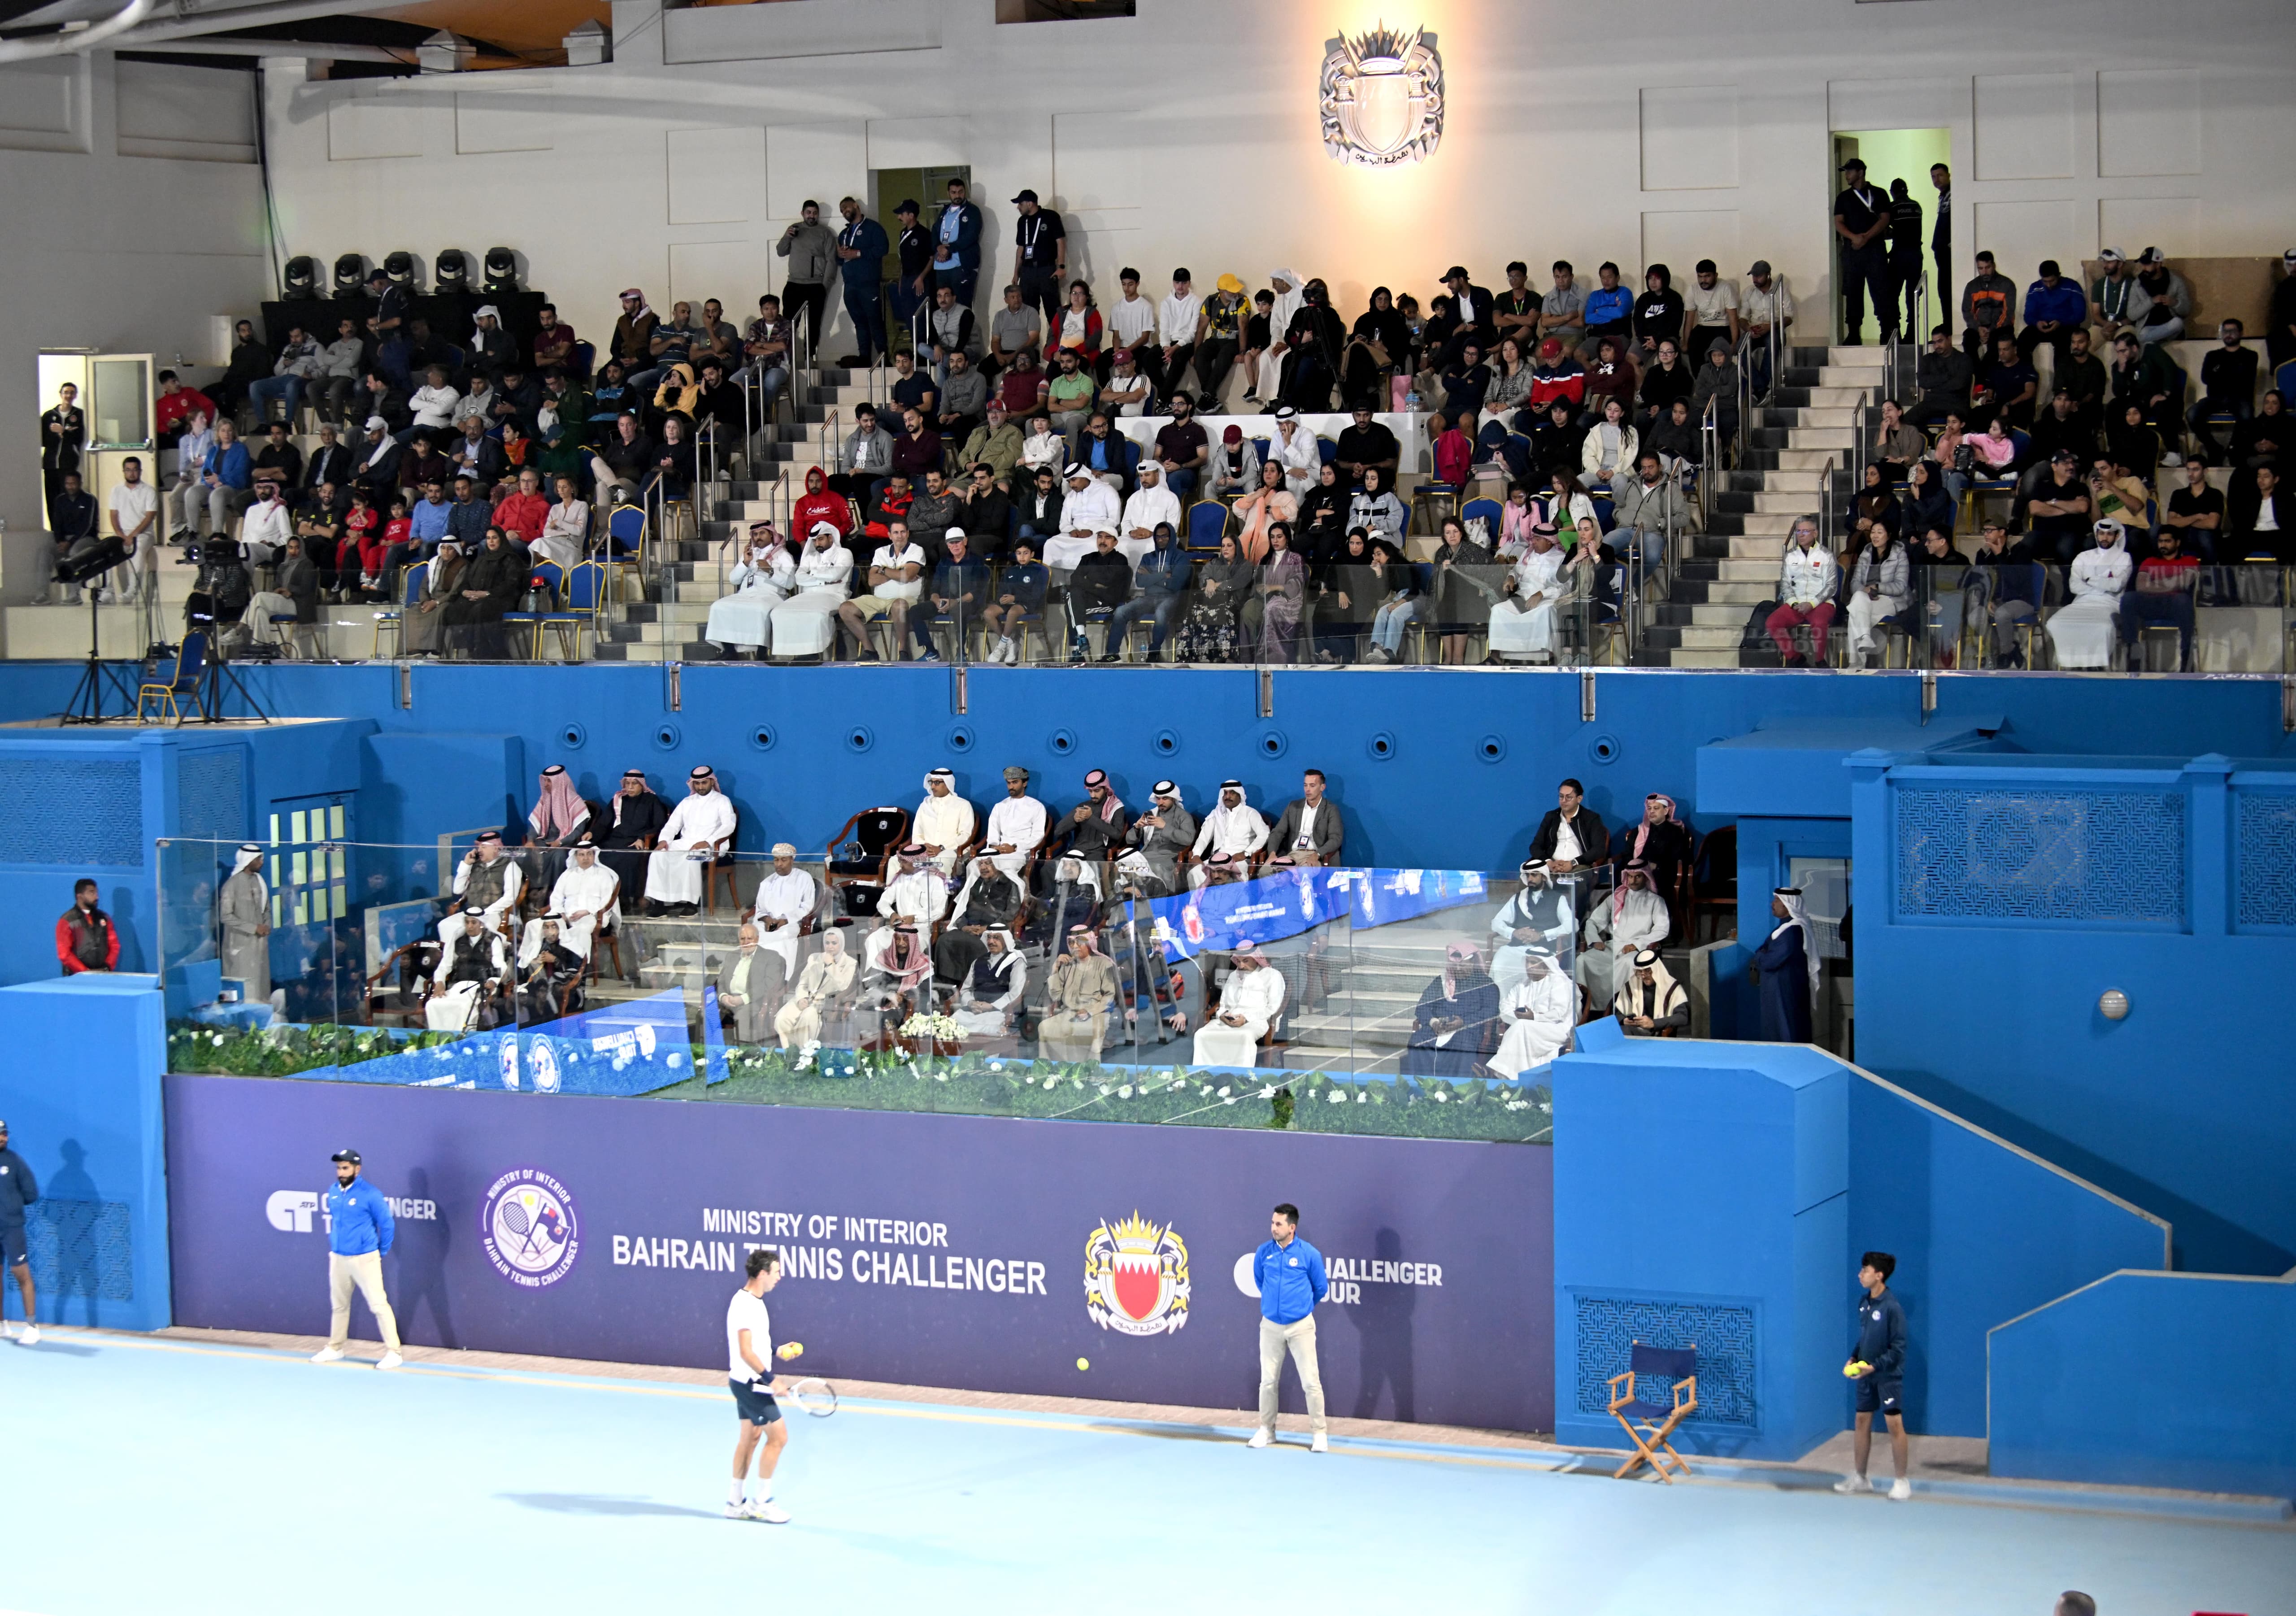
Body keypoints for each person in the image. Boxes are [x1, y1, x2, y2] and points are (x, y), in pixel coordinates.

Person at [1244, 1201, 1329, 1453]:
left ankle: (1320, 1433)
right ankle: (1267, 1430)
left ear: (1292, 1228)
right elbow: (1260, 1281)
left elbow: (1320, 1288)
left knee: (1311, 1382)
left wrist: (1299, 1309)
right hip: (1271, 1326)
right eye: (1273, 1223)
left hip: (1301, 1327)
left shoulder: (1309, 1254)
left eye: (1279, 1224)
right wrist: (1276, 1308)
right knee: (1268, 1382)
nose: (1274, 1228)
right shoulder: (1263, 1252)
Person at [309, 1147, 402, 1371]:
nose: (341, 1172)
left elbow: (387, 1224)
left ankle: (394, 1353)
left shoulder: (371, 1194)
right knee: (339, 1306)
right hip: (338, 1257)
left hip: (365, 1258)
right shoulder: (333, 1191)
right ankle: (336, 1348)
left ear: (357, 1169)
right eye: (339, 1168)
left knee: (379, 1305)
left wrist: (380, 1252)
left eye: (345, 1168)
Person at [1834, 1251, 1912, 1501]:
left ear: (1879, 1276)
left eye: (1865, 1271)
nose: (1860, 1275)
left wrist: (1875, 1367)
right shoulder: (1864, 1303)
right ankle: (1861, 1478)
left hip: (1888, 1376)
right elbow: (1865, 1337)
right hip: (1866, 1374)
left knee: (1894, 1425)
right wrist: (1854, 1357)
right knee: (1861, 1421)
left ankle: (1902, 1482)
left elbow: (1898, 1349)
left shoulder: (1892, 1308)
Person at [724, 1247, 793, 1523]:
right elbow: (745, 1352)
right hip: (752, 1384)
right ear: (762, 1274)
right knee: (779, 1438)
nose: (780, 1276)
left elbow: (756, 1345)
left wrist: (777, 1351)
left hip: (744, 1381)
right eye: (776, 1272)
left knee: (751, 1438)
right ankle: (762, 1503)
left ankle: (734, 1503)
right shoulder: (745, 1305)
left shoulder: (754, 1302)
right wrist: (771, 1379)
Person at [645, 765, 736, 915]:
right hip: (686, 842)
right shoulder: (687, 802)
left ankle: (691, 904)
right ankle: (660, 904)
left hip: (712, 847)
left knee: (692, 857)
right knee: (658, 855)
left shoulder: (722, 801)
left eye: (704, 783)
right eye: (697, 784)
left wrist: (708, 841)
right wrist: (664, 840)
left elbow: (729, 826)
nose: (700, 787)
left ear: (712, 782)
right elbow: (672, 825)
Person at [1577, 861, 1670, 1007]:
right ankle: (1588, 1008)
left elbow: (1662, 929)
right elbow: (1593, 921)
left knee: (1629, 963)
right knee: (1583, 960)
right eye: (1631, 877)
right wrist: (1595, 940)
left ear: (1646, 877)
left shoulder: (1656, 901)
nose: (1633, 881)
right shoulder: (1615, 898)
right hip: (1613, 947)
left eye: (1638, 877)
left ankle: (1621, 1008)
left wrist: (1636, 945)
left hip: (1638, 950)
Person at [2045, 518, 2132, 669]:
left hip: (2109, 604)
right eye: (2102, 534)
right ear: (2096, 535)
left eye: (2109, 534)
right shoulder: (2083, 557)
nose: (2105, 538)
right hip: (2081, 603)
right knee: (2055, 623)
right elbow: (2074, 586)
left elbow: (2117, 585)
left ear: (2117, 536)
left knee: (2103, 627)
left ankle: (2096, 665)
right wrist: (2104, 584)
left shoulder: (2124, 558)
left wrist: (2090, 579)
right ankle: (2072, 665)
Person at [1404, 943, 1500, 1078]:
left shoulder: (1486, 984)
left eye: (1463, 966)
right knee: (1418, 1040)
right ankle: (1421, 1085)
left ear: (1473, 963)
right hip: (1438, 1029)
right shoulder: (1441, 982)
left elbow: (1491, 1011)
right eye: (1455, 966)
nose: (1458, 969)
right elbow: (1422, 1006)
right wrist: (1434, 1022)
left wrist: (1463, 1022)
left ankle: (1458, 1087)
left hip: (1468, 1029)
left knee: (1462, 1045)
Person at [1489, 945, 1577, 1077]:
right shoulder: (1521, 984)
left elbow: (1559, 1013)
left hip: (1556, 1030)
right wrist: (1521, 1017)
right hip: (1525, 1029)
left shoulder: (1558, 982)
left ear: (1546, 965)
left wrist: (1534, 1017)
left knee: (1521, 1026)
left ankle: (1502, 1073)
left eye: (1533, 962)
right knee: (1521, 1027)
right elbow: (1505, 1007)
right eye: (1527, 962)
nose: (1529, 966)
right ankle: (1516, 1076)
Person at [1193, 941, 1285, 1066]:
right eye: (1239, 961)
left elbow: (1273, 1008)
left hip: (1256, 1021)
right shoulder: (1233, 976)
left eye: (1246, 961)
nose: (1241, 966)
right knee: (1201, 1035)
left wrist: (1246, 1019)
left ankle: (1241, 1075)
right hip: (1228, 1021)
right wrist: (1223, 1016)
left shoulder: (1272, 975)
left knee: (1245, 1036)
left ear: (1256, 958)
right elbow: (1223, 1005)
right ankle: (1206, 1073)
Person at [1765, 514, 1839, 666]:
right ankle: (1796, 658)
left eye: (1805, 531)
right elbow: (1785, 584)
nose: (1801, 535)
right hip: (1796, 603)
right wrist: (1793, 603)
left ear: (1815, 533)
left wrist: (1812, 604)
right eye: (1798, 531)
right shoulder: (1790, 556)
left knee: (1819, 623)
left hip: (1821, 603)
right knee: (1773, 623)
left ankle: (1819, 661)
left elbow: (1831, 586)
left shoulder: (1826, 555)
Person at [1833, 159, 1889, 344]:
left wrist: (1866, 237)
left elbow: (1885, 219)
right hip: (1852, 251)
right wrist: (1854, 237)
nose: (1847, 175)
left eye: (1850, 171)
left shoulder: (1879, 193)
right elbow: (1838, 222)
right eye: (1845, 172)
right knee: (1853, 292)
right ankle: (1854, 333)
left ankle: (1886, 331)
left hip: (1875, 250)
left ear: (1861, 172)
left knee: (1880, 290)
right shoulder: (1843, 198)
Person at [1751, 886, 1816, 1042]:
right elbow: (1763, 951)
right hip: (1778, 989)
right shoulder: (1784, 929)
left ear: (1788, 904)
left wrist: (1759, 956)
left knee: (1787, 1030)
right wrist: (1762, 954)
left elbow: (1769, 961)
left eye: (1777, 900)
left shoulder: (1792, 932)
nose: (1772, 904)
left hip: (1784, 991)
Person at [774, 929, 856, 1050]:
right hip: (806, 998)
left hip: (825, 1003)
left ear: (842, 943)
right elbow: (803, 983)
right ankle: (790, 1052)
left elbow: (843, 986)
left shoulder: (850, 963)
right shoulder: (814, 958)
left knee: (808, 1017)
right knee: (782, 1019)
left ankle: (804, 1053)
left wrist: (831, 965)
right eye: (827, 943)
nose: (830, 947)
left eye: (834, 943)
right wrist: (801, 998)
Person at [1844, 523, 1910, 667]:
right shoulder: (1866, 553)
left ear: (1889, 535)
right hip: (1865, 598)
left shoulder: (1899, 554)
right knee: (1858, 600)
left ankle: (1855, 663)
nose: (1875, 536)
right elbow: (1854, 583)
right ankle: (1865, 639)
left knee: (1855, 612)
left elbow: (1901, 586)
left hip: (1890, 599)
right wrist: (1866, 591)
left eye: (1880, 532)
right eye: (1873, 532)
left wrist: (1878, 588)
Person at [217, 843, 272, 1003]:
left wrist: (267, 925)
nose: (262, 862)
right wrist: (254, 928)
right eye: (258, 859)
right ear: (248, 860)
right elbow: (225, 916)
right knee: (246, 992)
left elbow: (266, 908)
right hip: (240, 947)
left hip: (260, 945)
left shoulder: (260, 882)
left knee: (262, 988)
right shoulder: (232, 885)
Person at [0, 1118, 36, 1344]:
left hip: (12, 1228)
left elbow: (31, 1193)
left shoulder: (15, 1162)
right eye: (0, 1134)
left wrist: (11, 1207)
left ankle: (32, 1327)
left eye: (5, 1134)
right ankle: (2, 1326)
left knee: (20, 1273)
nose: (3, 1137)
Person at [714, 924, 782, 1045]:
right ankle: (710, 1052)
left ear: (757, 939)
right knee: (707, 1014)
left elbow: (769, 983)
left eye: (750, 939)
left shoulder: (770, 957)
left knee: (741, 1018)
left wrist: (743, 999)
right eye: (743, 939)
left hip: (752, 1001)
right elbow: (721, 980)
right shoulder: (732, 956)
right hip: (728, 1000)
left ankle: (741, 1053)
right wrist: (723, 996)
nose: (746, 942)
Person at [1265, 769, 1342, 866]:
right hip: (1292, 854)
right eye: (1305, 785)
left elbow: (1336, 839)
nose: (1308, 790)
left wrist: (1318, 854)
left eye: (1312, 786)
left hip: (1315, 855)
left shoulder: (1331, 809)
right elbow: (1278, 832)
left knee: (1304, 872)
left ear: (1322, 788)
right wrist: (1272, 854)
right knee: (1265, 871)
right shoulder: (1293, 807)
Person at [1614, 949, 1688, 1036]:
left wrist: (1654, 1023)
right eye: (1640, 972)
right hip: (1635, 1031)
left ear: (1656, 969)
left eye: (1647, 971)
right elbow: (1618, 1014)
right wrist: (1624, 1021)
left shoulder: (1671, 987)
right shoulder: (1631, 985)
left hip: (1659, 1032)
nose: (1643, 976)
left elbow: (1682, 1017)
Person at [1960, 250, 2016, 364]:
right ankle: (1977, 371)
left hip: (2001, 328)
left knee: (1994, 344)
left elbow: (2008, 312)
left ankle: (1982, 373)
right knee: (1968, 341)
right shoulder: (1972, 286)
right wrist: (1978, 328)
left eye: (1988, 267)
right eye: (1981, 268)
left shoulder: (2007, 284)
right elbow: (1967, 311)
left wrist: (1991, 330)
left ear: (1994, 266)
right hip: (1979, 327)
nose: (1984, 272)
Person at [55, 878, 119, 975]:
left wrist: (107, 967)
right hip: (75, 978)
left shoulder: (104, 918)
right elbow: (64, 954)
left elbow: (114, 945)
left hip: (103, 975)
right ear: (80, 896)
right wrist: (85, 972)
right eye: (92, 893)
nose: (97, 897)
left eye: (97, 893)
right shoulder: (67, 921)